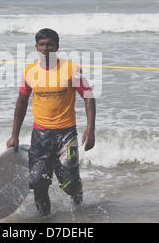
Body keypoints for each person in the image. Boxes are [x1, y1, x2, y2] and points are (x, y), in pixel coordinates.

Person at [6, 28, 96, 216]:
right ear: (36, 47)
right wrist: (14, 135)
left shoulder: (71, 69)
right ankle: (45, 219)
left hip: (66, 134)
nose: (46, 48)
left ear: (57, 46)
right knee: (38, 183)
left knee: (69, 184)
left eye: (50, 44)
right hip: (40, 136)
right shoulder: (30, 72)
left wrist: (90, 129)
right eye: (42, 44)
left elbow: (88, 97)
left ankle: (78, 203)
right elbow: (21, 103)